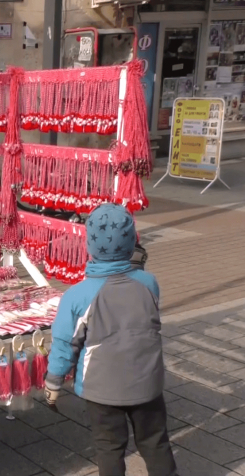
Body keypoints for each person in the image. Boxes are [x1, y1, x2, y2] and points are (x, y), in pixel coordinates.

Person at [44, 204, 177, 476]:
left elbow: (64, 344)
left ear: (89, 246)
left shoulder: (77, 296)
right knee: (155, 442)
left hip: (101, 389)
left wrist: (53, 382)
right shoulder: (149, 284)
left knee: (109, 448)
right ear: (132, 244)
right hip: (147, 383)